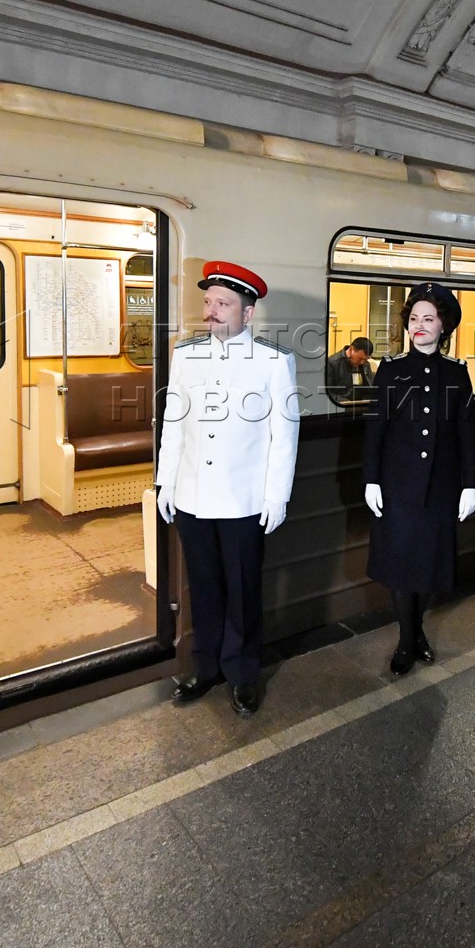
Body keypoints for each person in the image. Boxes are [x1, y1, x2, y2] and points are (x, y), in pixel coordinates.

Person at [157, 261, 299, 716]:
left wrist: (277, 495)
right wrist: (166, 482)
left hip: (243, 501)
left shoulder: (274, 363)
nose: (212, 311)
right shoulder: (185, 357)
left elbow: (284, 434)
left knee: (242, 590)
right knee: (204, 587)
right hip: (192, 497)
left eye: (224, 303)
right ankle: (206, 667)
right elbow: (173, 425)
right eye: (208, 302)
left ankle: (242, 673)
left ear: (248, 313)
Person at [362, 283, 475, 675]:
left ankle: (416, 631)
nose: (420, 326)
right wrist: (371, 479)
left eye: (428, 319)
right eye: (414, 319)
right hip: (397, 486)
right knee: (400, 564)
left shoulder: (457, 375)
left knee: (428, 565)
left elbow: (467, 434)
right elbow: (376, 428)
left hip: (441, 488)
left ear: (443, 326)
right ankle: (406, 640)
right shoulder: (392, 370)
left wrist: (470, 484)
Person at [325, 336, 376, 405]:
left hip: (362, 405)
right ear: (351, 349)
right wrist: (346, 402)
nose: (362, 362)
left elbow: (370, 388)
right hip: (341, 406)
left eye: (365, 359)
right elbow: (328, 393)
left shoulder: (365, 365)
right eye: (360, 358)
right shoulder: (332, 363)